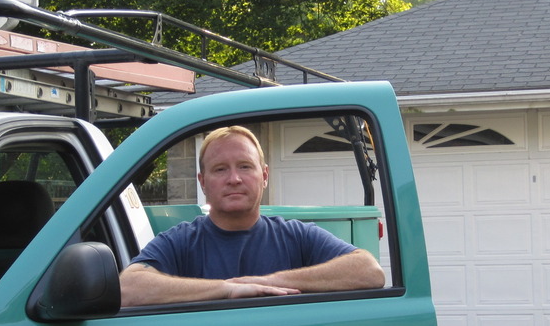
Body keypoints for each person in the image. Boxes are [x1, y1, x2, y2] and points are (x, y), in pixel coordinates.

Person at [119, 125, 385, 306]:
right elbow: (127, 288)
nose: (234, 179)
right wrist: (228, 289)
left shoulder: (296, 236)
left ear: (264, 176)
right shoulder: (180, 242)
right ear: (202, 182)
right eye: (220, 169)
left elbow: (369, 271)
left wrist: (265, 283)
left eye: (245, 166)